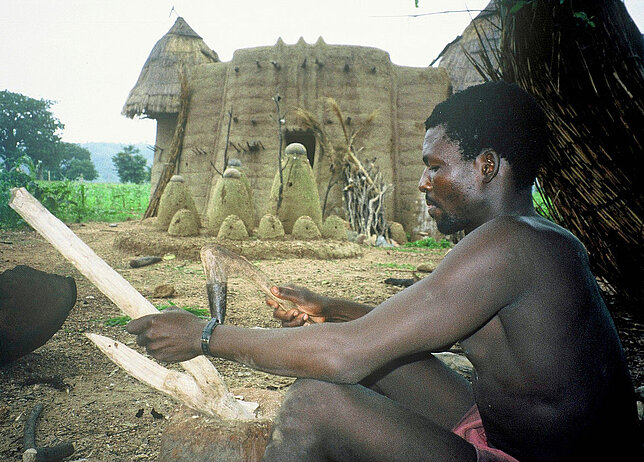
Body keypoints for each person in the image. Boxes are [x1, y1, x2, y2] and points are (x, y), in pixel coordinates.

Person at [127, 81, 641, 461]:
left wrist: (205, 335)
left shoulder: (508, 246)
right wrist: (331, 310)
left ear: (486, 166)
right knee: (388, 358)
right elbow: (423, 323)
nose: (421, 182)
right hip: (509, 437)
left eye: (435, 166)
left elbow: (344, 358)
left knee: (313, 403)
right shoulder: (531, 238)